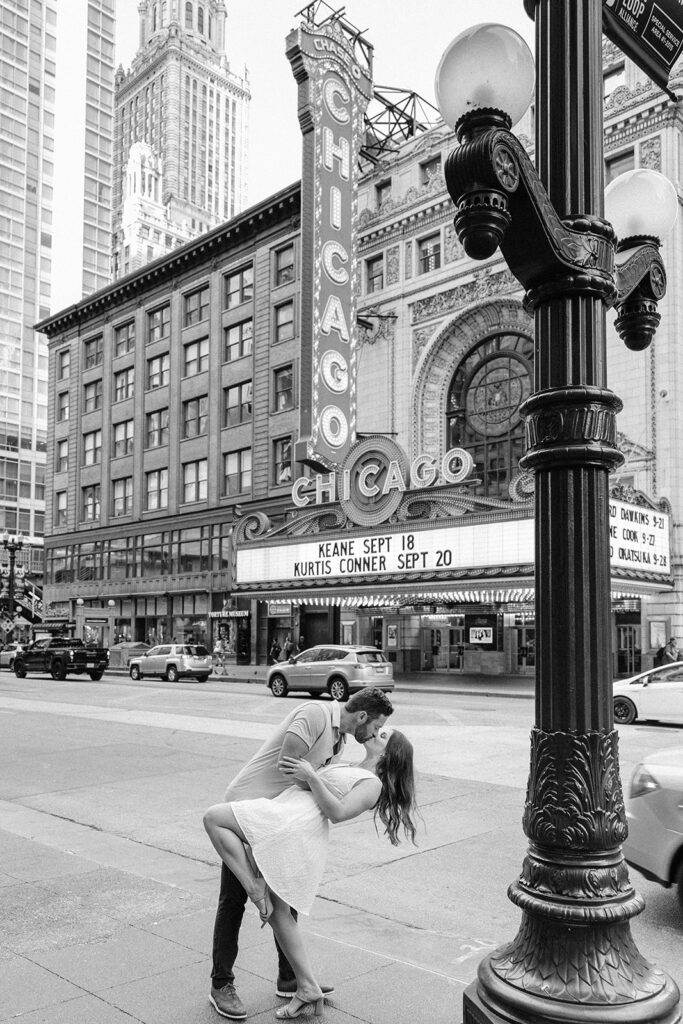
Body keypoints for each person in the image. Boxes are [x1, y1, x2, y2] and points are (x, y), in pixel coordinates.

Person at [205, 687, 394, 1020]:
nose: (375, 733)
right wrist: (320, 784)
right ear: (362, 716)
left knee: (285, 900)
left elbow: (328, 782)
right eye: (376, 725)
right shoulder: (314, 715)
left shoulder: (339, 741)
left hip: (278, 818)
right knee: (234, 900)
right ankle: (222, 984)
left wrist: (333, 779)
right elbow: (289, 766)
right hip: (248, 809)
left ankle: (290, 978)